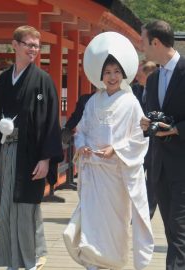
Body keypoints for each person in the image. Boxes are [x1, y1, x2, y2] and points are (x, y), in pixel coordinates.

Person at [63, 32, 153, 270]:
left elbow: (140, 137)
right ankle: (93, 265)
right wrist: (81, 144)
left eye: (116, 72)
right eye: (107, 72)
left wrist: (116, 149)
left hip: (117, 175)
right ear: (100, 76)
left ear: (123, 74)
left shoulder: (131, 102)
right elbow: (81, 129)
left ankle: (112, 264)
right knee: (92, 224)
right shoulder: (93, 101)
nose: (112, 77)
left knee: (114, 225)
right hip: (94, 174)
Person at [0, 25, 63, 270]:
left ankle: (32, 258)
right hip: (5, 151)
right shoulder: (4, 79)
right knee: (5, 205)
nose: (33, 49)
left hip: (30, 155)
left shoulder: (43, 81)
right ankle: (11, 259)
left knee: (26, 207)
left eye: (37, 45)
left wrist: (46, 158)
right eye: (28, 44)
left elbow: (50, 121)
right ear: (15, 45)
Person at [140, 20, 185, 270]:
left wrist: (177, 128)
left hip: (183, 165)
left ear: (155, 42)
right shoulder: (154, 78)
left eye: (143, 40)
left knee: (179, 233)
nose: (141, 46)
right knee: (171, 231)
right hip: (159, 168)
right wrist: (148, 123)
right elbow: (156, 115)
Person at [133, 60, 158, 219]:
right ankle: (133, 211)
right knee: (136, 177)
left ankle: (148, 213)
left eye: (139, 73)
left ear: (149, 75)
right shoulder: (133, 90)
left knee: (153, 181)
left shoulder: (158, 91)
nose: (136, 76)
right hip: (136, 142)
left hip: (155, 142)